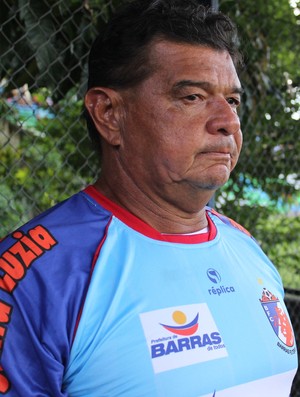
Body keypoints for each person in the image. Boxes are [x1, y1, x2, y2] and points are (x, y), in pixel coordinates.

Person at [0, 0, 297, 395]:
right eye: (192, 97)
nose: (227, 122)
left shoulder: (245, 246)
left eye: (233, 101)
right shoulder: (33, 278)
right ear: (109, 114)